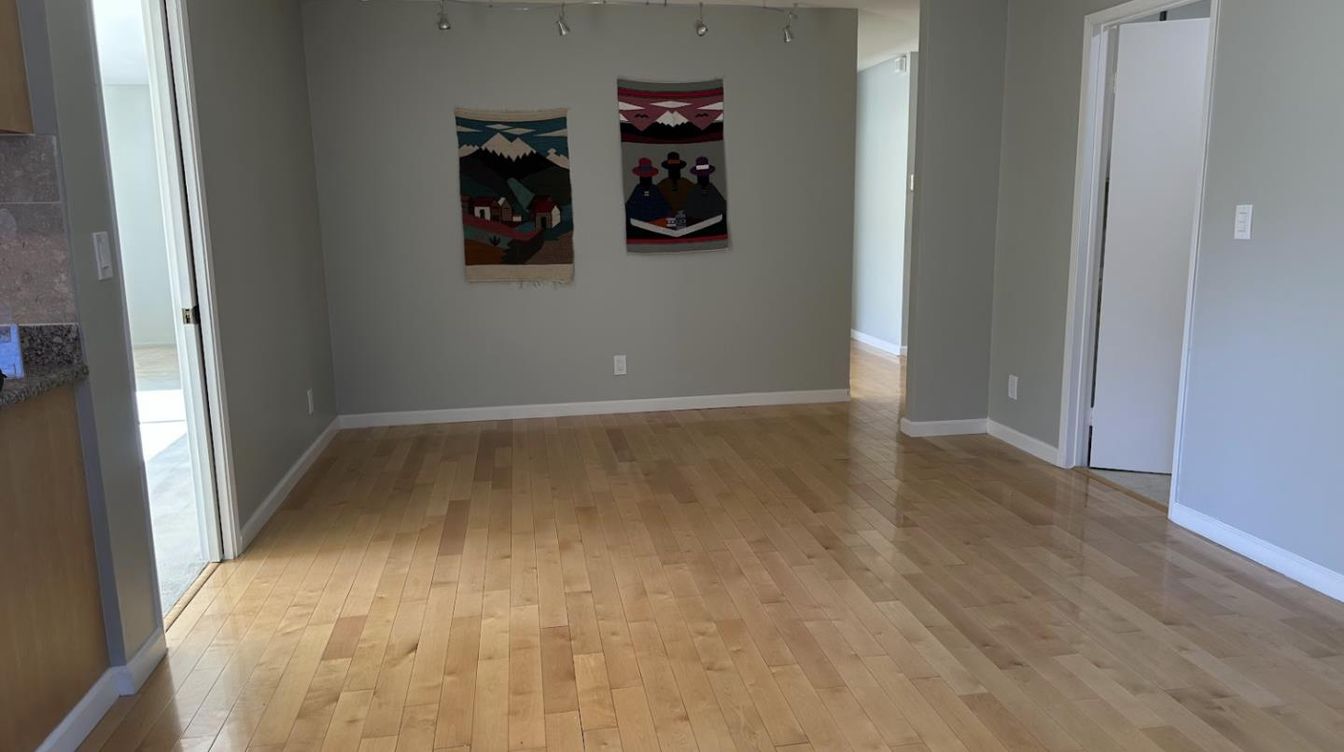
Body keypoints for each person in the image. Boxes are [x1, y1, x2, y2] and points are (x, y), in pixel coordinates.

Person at [626, 157, 671, 221]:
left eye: (647, 176)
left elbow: (663, 206)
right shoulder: (638, 190)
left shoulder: (655, 189)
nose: (646, 178)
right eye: (644, 176)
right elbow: (631, 208)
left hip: (656, 222)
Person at [684, 156, 726, 223]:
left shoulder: (712, 190)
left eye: (705, 174)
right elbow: (688, 212)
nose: (703, 176)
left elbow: (722, 207)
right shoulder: (693, 191)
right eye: (701, 174)